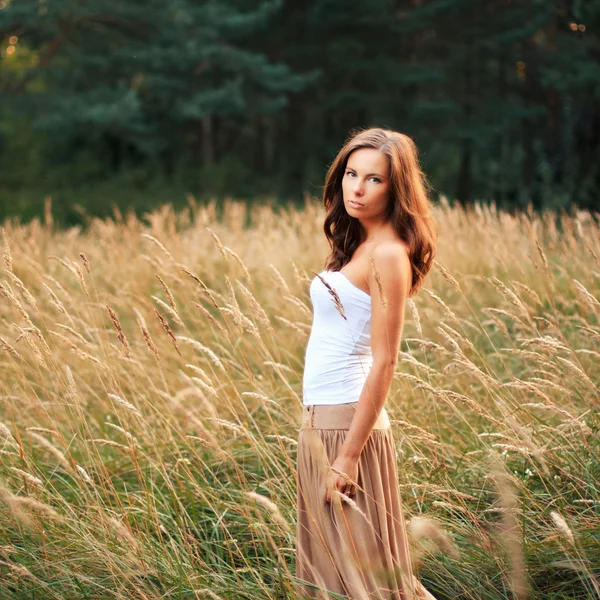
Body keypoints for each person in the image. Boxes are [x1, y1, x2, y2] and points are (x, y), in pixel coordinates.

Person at [295, 127, 439, 600]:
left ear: (395, 188)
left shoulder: (389, 255)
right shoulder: (356, 244)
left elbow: (385, 361)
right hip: (320, 421)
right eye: (351, 174)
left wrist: (350, 455)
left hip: (349, 426)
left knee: (365, 582)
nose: (357, 188)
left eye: (373, 180)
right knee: (332, 575)